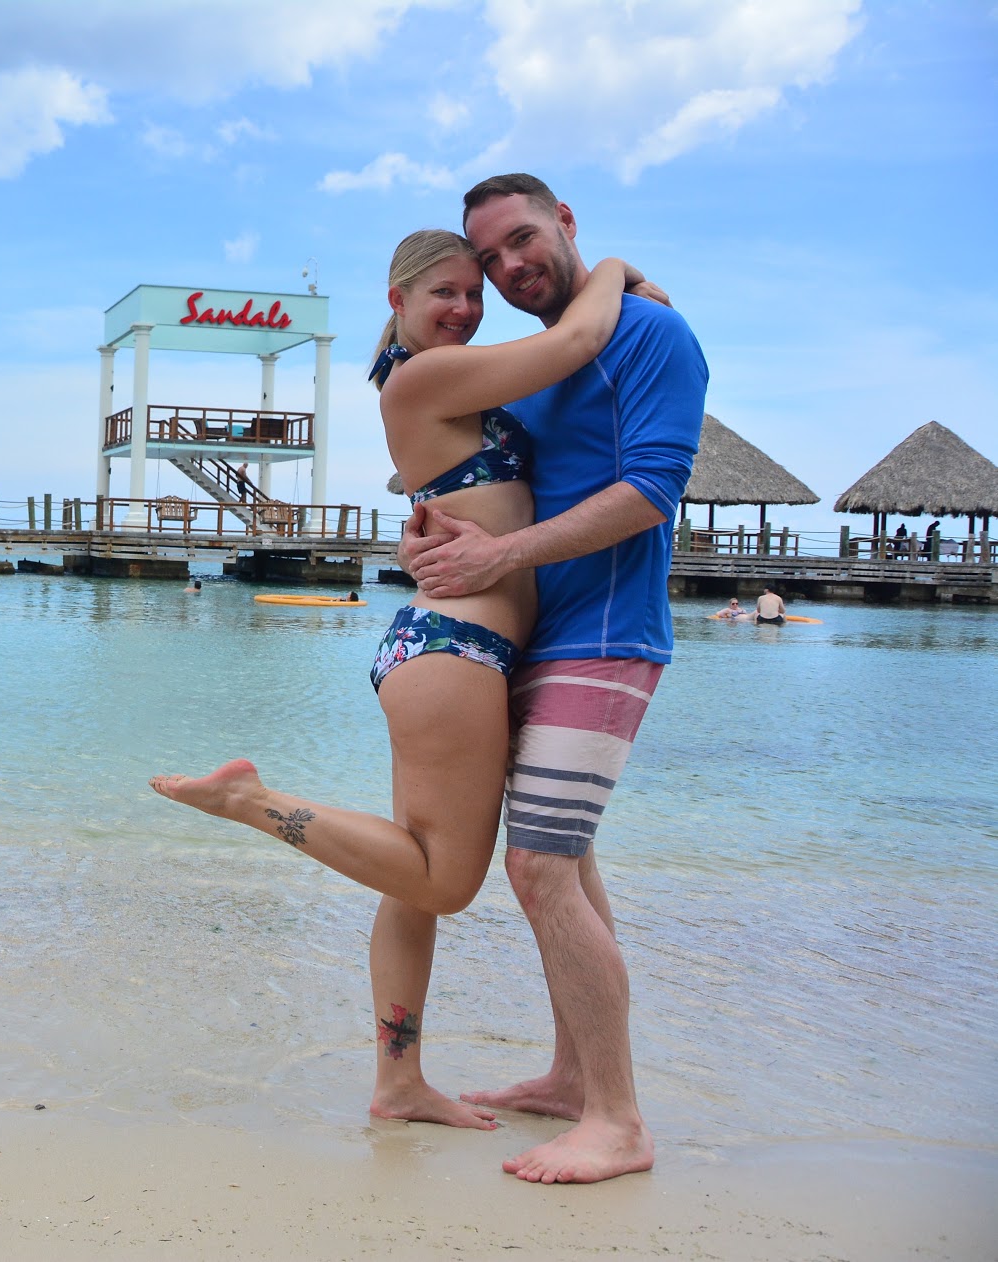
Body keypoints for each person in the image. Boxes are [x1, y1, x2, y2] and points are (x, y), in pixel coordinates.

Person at [152, 226, 644, 1134]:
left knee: (409, 878)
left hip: (451, 649)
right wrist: (610, 267)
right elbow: (576, 341)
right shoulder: (421, 377)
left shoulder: (434, 376)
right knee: (443, 883)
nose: (463, 309)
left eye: (473, 295)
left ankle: (399, 1082)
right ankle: (251, 802)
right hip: (456, 649)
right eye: (444, 294)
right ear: (399, 302)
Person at [402, 173, 706, 1184]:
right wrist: (449, 541)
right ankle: (573, 1076)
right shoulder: (526, 363)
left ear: (565, 223)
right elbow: (482, 480)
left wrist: (503, 558)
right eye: (487, 259)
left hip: (608, 633)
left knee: (532, 867)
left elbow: (650, 491)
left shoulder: (650, 337)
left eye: (521, 239)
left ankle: (618, 1121)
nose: (507, 266)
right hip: (531, 635)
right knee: (565, 863)